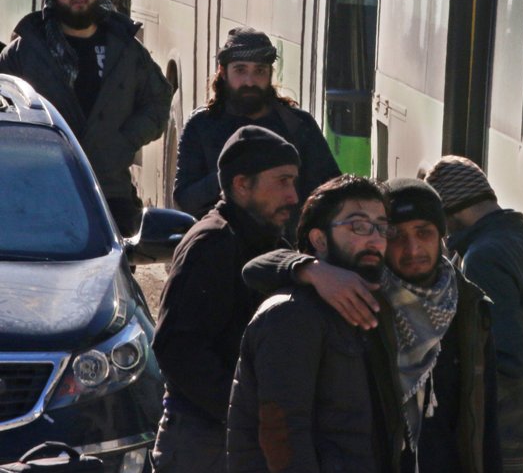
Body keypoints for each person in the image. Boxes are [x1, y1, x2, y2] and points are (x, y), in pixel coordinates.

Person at [243, 177, 502, 473]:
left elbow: (485, 423)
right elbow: (255, 270)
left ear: (441, 237)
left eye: (424, 233)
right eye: (397, 235)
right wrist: (310, 269)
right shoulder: (359, 294)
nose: (413, 248)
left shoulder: (468, 306)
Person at [151, 125, 301, 472]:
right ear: (241, 185)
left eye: (293, 181)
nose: (293, 196)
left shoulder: (268, 243)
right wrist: (240, 411)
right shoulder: (213, 243)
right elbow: (177, 348)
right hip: (204, 442)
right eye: (282, 181)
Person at [227, 175, 392, 473]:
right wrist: (310, 270)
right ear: (319, 240)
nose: (375, 238)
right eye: (358, 225)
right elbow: (284, 437)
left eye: (381, 227)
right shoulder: (292, 315)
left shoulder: (370, 302)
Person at [0, 0, 172, 236]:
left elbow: (158, 102)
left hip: (110, 191)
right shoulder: (26, 52)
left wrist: (125, 140)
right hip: (40, 191)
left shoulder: (126, 48)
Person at [424, 156, 523, 473]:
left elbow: (506, 360)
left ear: (452, 216)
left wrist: (455, 409)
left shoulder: (482, 257)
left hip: (493, 438)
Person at [173, 26, 340, 225]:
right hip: (224, 246)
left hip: (285, 249)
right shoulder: (201, 126)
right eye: (240, 70)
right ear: (223, 72)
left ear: (270, 74)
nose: (250, 81)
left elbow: (331, 194)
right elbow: (185, 199)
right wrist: (229, 174)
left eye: (259, 71)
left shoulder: (298, 126)